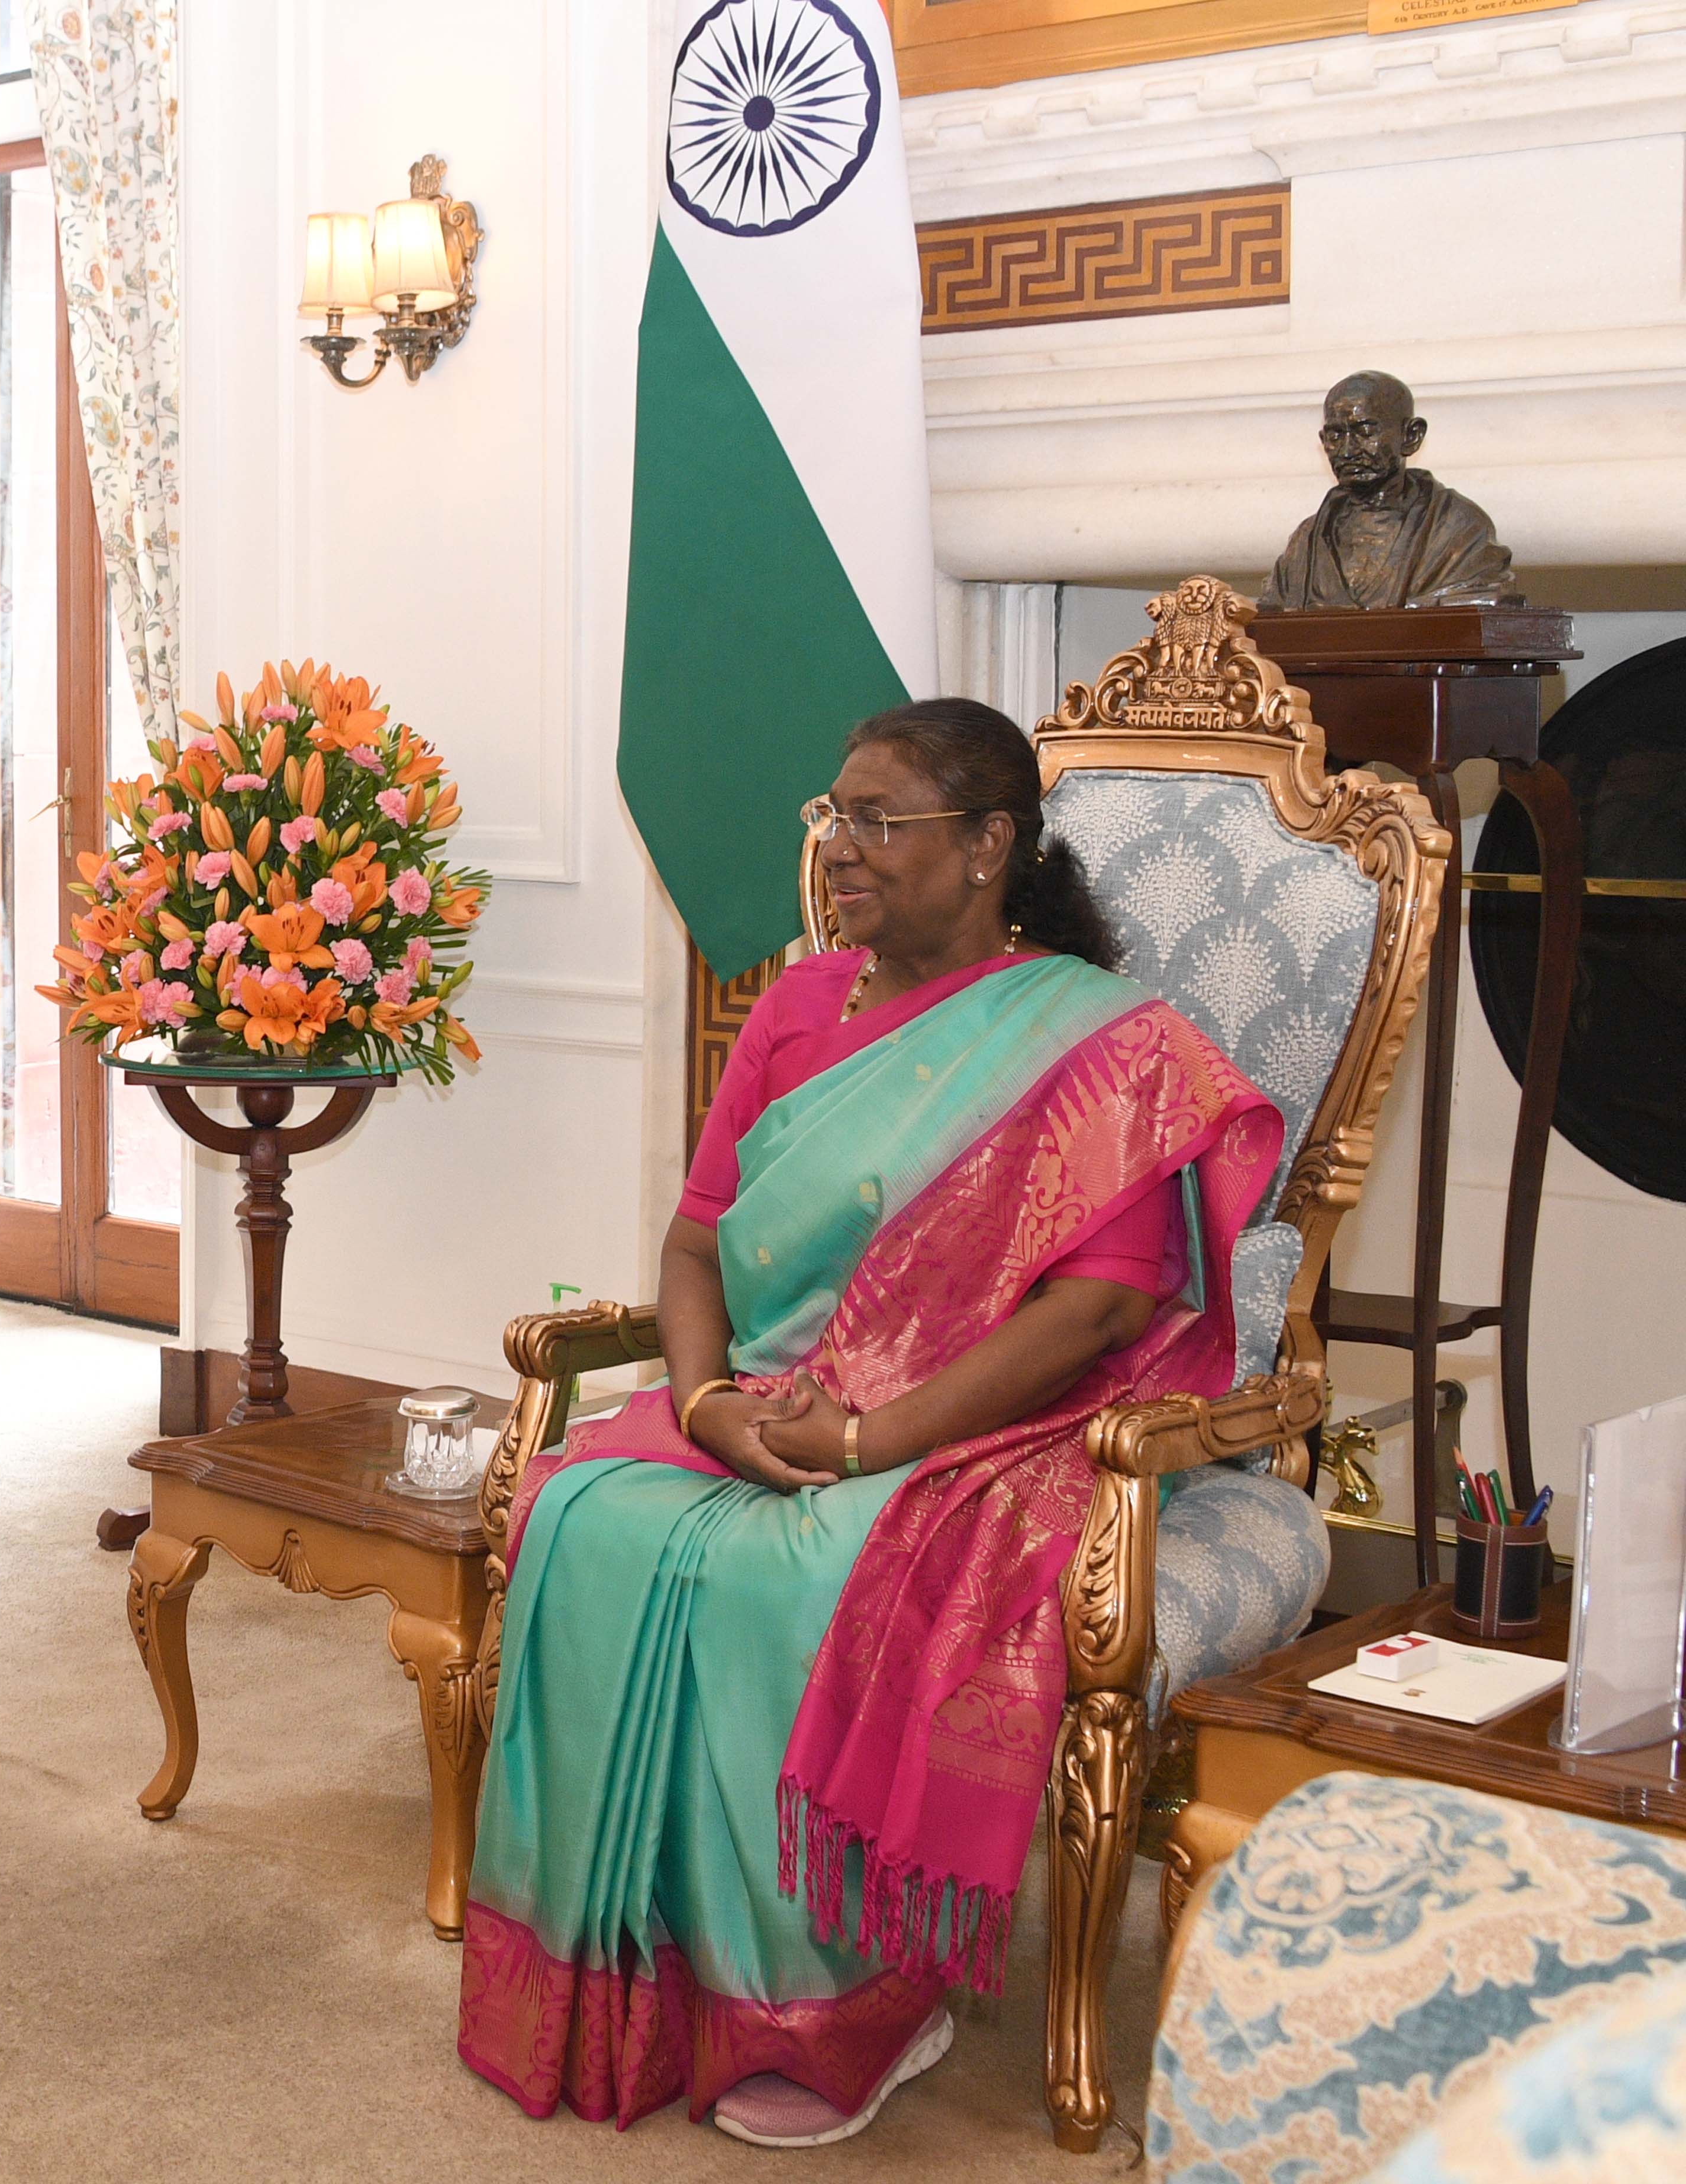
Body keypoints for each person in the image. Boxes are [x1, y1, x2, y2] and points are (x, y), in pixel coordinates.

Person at [457, 700, 1284, 2146]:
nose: (838, 846)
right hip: (765, 1398)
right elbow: (696, 1245)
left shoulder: (1103, 1045)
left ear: (988, 845)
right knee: (581, 1513)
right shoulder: (795, 1007)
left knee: (799, 1572)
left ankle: (850, 2007)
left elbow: (1096, 1310)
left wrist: (869, 1439)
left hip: (988, 1428)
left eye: (878, 820)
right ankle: (647, 1982)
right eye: (832, 814)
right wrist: (707, 1401)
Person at [1263, 369, 1518, 610]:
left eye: (1365, 432)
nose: (1348, 451)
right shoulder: (1305, 544)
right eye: (1336, 436)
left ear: (1411, 436)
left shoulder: (1459, 530)